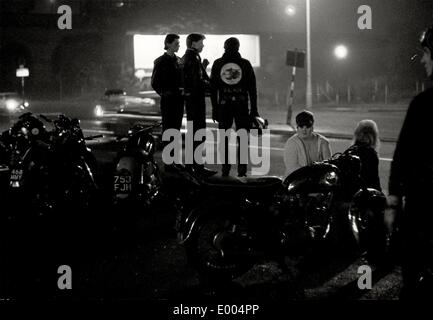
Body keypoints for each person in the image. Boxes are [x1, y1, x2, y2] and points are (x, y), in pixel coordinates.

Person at [386, 26, 433, 300]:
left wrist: (393, 202)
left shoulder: (423, 105)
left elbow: (402, 157)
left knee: (413, 282)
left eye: (426, 53)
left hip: (422, 214)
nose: (424, 60)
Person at [210, 37, 259, 177]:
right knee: (243, 138)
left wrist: (215, 108)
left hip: (224, 106)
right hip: (241, 105)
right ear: (238, 47)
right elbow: (252, 89)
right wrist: (254, 110)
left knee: (224, 138)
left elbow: (214, 89)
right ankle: (242, 169)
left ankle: (225, 168)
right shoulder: (245, 64)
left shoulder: (218, 63)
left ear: (224, 47)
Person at [181, 33, 216, 177]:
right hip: (196, 101)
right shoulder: (192, 58)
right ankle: (197, 167)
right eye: (201, 42)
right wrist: (212, 85)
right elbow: (196, 82)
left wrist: (203, 66)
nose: (203, 45)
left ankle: (192, 166)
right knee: (198, 134)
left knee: (193, 134)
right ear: (194, 43)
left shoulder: (190, 57)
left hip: (192, 101)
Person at [151, 34, 184, 172]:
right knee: (168, 130)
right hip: (169, 100)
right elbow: (155, 82)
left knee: (175, 130)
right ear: (168, 44)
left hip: (178, 100)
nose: (178, 45)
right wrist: (165, 93)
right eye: (176, 43)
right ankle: (169, 163)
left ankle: (174, 160)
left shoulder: (179, 61)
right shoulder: (160, 61)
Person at [283, 110, 332, 176]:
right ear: (297, 127)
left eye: (307, 127)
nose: (304, 130)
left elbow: (328, 167)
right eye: (301, 126)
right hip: (295, 182)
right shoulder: (291, 143)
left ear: (312, 127)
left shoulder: (324, 142)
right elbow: (292, 168)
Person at [345, 119, 382, 191]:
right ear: (374, 135)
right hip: (364, 194)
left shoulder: (350, 150)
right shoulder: (371, 154)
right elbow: (374, 180)